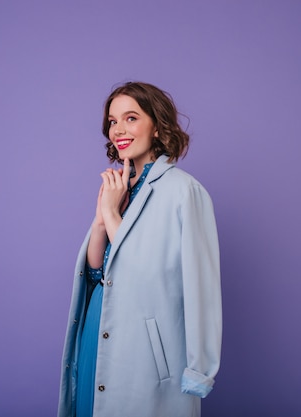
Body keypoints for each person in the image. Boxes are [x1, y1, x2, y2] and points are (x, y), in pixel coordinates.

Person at [57, 82, 222, 417]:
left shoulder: (183, 192)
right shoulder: (119, 187)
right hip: (97, 328)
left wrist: (200, 369)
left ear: (157, 126)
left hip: (143, 349)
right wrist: (102, 221)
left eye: (131, 118)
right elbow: (97, 273)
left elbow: (191, 286)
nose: (119, 129)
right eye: (113, 121)